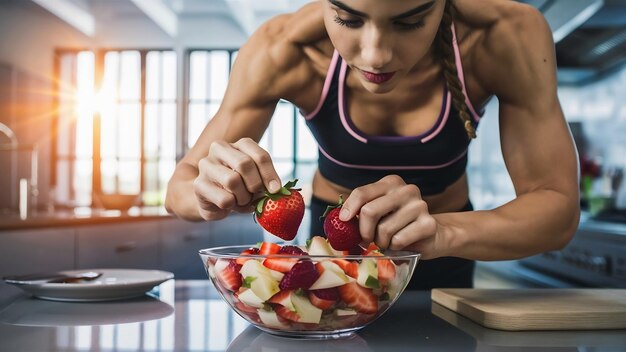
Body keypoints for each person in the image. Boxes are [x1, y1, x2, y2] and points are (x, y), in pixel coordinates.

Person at [166, 0, 580, 289]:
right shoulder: (282, 48)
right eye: (348, 19)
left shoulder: (505, 35)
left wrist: (443, 231)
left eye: (409, 21)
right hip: (332, 249)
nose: (376, 54)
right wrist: (207, 191)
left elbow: (557, 210)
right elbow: (178, 189)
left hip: (446, 249)